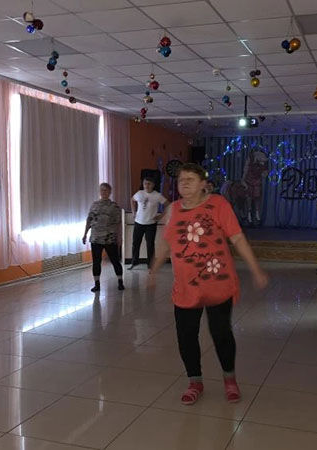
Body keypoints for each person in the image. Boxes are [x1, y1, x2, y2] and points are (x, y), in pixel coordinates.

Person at [149, 163, 269, 406]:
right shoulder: (173, 209)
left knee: (221, 333)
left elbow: (237, 238)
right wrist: (154, 269)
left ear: (203, 184)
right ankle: (195, 381)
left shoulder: (218, 204)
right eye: (181, 179)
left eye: (191, 179)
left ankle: (229, 378)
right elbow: (165, 243)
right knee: (186, 336)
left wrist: (255, 269)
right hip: (185, 286)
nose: (184, 183)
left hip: (217, 283)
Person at [82, 183, 124, 292]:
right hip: (96, 238)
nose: (103, 192)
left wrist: (120, 237)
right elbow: (89, 220)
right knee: (96, 262)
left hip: (109, 238)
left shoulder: (114, 206)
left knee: (115, 260)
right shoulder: (94, 205)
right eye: (101, 190)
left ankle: (120, 281)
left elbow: (118, 223)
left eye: (105, 190)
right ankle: (97, 284)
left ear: (110, 192)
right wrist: (85, 234)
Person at [129, 177, 169, 270]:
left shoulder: (157, 195)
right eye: (145, 183)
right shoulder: (139, 193)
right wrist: (133, 212)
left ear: (153, 185)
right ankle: (134, 262)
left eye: (149, 184)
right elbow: (132, 200)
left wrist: (161, 216)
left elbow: (168, 205)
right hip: (138, 223)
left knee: (150, 245)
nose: (146, 185)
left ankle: (150, 265)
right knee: (135, 243)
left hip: (151, 224)